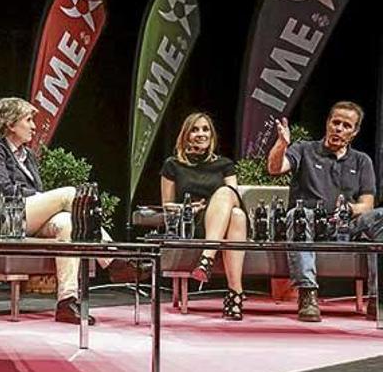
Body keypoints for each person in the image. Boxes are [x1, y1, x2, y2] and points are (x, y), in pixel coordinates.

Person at [0, 97, 142, 325]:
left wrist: (42, 201)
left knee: (67, 223)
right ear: (11, 124)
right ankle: (112, 261)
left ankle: (66, 302)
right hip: (0, 218)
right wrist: (43, 200)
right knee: (70, 194)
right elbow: (4, 190)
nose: (33, 126)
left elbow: (36, 190)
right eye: (28, 120)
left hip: (24, 217)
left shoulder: (28, 156)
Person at [268, 101, 383, 322]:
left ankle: (376, 297)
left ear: (355, 132)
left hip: (346, 225)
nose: (339, 128)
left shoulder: (362, 161)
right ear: (328, 123)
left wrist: (348, 209)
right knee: (298, 215)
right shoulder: (304, 150)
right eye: (335, 122)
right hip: (310, 224)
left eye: (346, 125)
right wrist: (282, 143)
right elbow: (275, 168)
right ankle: (307, 294)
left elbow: (367, 204)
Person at [161, 113, 249, 320]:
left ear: (212, 134)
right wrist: (189, 208)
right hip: (195, 224)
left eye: (205, 129)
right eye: (195, 129)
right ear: (186, 135)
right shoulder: (172, 165)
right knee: (236, 216)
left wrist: (213, 204)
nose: (201, 134)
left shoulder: (224, 164)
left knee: (232, 206)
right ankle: (235, 295)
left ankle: (207, 259)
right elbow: (167, 207)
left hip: (225, 221)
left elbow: (233, 196)